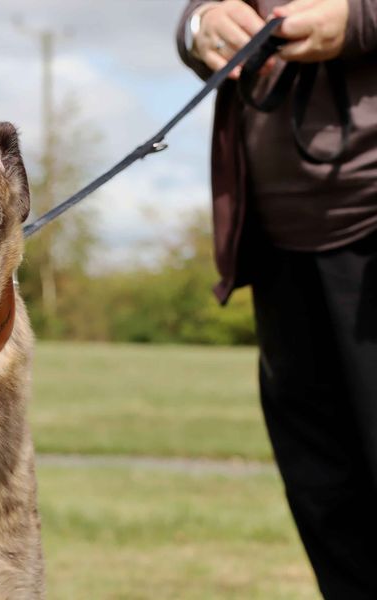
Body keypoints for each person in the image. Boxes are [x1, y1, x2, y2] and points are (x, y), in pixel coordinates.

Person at [176, 1, 377, 598]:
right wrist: (201, 26)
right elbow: (197, 17)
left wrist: (361, 19)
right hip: (275, 242)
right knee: (327, 502)